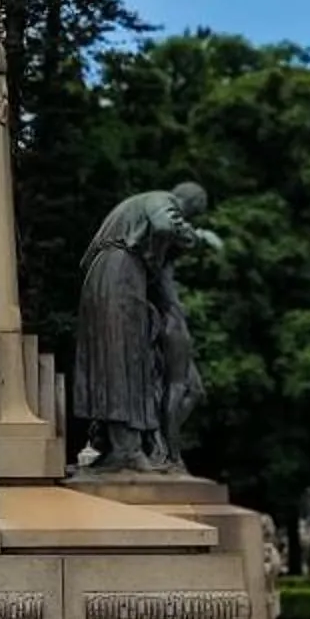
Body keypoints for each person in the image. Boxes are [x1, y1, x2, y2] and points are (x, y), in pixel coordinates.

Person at [73, 181, 219, 472]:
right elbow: (166, 226)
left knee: (111, 357)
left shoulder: (131, 208)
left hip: (103, 275)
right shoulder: (162, 200)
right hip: (122, 273)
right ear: (190, 205)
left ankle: (116, 444)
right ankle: (127, 449)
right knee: (124, 357)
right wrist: (191, 238)